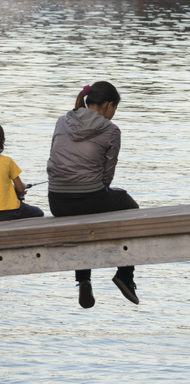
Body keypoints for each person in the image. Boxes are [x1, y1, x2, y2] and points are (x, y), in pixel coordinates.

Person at [47, 82, 139, 309]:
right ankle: (125, 273)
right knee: (129, 206)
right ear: (109, 105)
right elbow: (107, 179)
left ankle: (83, 279)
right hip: (89, 196)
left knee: (82, 218)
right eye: (114, 108)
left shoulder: (62, 121)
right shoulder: (111, 130)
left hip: (56, 201)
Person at [0, 120, 44, 222]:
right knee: (38, 212)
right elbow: (20, 188)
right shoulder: (7, 161)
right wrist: (21, 189)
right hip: (11, 211)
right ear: (2, 141)